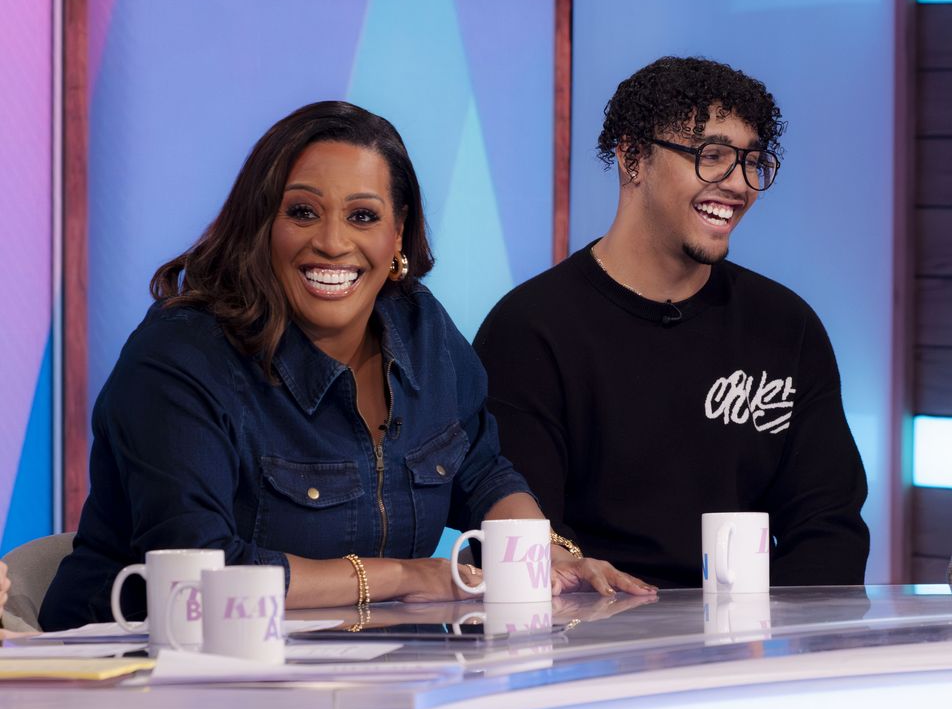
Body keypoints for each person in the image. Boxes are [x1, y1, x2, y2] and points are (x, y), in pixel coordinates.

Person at [41, 102, 652, 630]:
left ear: (399, 235)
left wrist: (548, 556)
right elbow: (199, 573)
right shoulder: (182, 357)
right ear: (261, 225)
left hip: (354, 675)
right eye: (302, 212)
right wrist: (408, 576)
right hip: (144, 685)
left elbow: (481, 470)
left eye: (363, 216)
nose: (332, 242)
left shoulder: (420, 327)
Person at [475, 56, 869, 589]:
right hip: (584, 649)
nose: (738, 185)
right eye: (712, 156)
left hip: (745, 651)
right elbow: (525, 544)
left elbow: (829, 530)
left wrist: (782, 652)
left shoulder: (786, 326)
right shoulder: (529, 329)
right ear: (632, 157)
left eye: (752, 162)